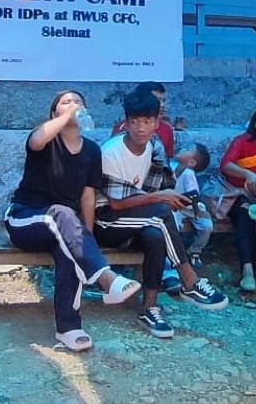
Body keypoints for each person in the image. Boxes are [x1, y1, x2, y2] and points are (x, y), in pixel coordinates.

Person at [4, 89, 142, 352]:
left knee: (70, 247)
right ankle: (107, 280)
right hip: (25, 218)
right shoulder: (45, 140)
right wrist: (64, 116)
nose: (73, 106)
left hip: (62, 227)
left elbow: (88, 196)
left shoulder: (91, 150)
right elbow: (36, 140)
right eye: (65, 103)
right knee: (62, 213)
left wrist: (87, 240)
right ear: (53, 113)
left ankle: (69, 327)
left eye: (78, 102)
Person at [93, 90, 227, 339]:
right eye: (134, 122)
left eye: (146, 121)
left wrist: (169, 196)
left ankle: (149, 307)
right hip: (106, 221)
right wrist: (159, 198)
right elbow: (117, 205)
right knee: (159, 214)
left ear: (157, 122)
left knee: (155, 234)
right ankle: (189, 279)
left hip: (141, 216)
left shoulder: (155, 146)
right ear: (126, 122)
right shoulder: (110, 153)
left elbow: (158, 188)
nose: (140, 128)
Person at [207, 104, 256, 292]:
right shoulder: (243, 141)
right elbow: (225, 165)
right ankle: (248, 271)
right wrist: (248, 175)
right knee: (244, 213)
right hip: (238, 193)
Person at [171, 143, 214, 268]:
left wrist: (197, 212)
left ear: (191, 162)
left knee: (207, 226)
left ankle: (195, 250)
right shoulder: (170, 167)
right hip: (174, 206)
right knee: (173, 224)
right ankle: (173, 253)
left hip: (189, 206)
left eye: (187, 149)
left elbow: (193, 195)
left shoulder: (188, 173)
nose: (182, 148)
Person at [111, 82, 175, 159]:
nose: (162, 105)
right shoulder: (123, 128)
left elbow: (167, 161)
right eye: (157, 100)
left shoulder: (167, 129)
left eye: (163, 101)